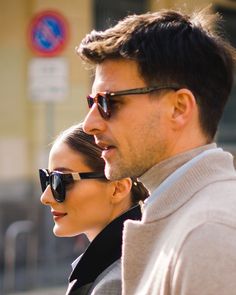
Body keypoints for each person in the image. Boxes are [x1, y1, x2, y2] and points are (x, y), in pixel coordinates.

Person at [78, 7, 236, 295]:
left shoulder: (210, 234)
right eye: (92, 102)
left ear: (178, 108)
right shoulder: (192, 218)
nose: (89, 124)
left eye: (107, 102)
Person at [39, 123, 149, 295]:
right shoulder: (123, 265)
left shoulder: (115, 283)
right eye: (47, 179)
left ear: (118, 188)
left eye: (62, 180)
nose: (46, 197)